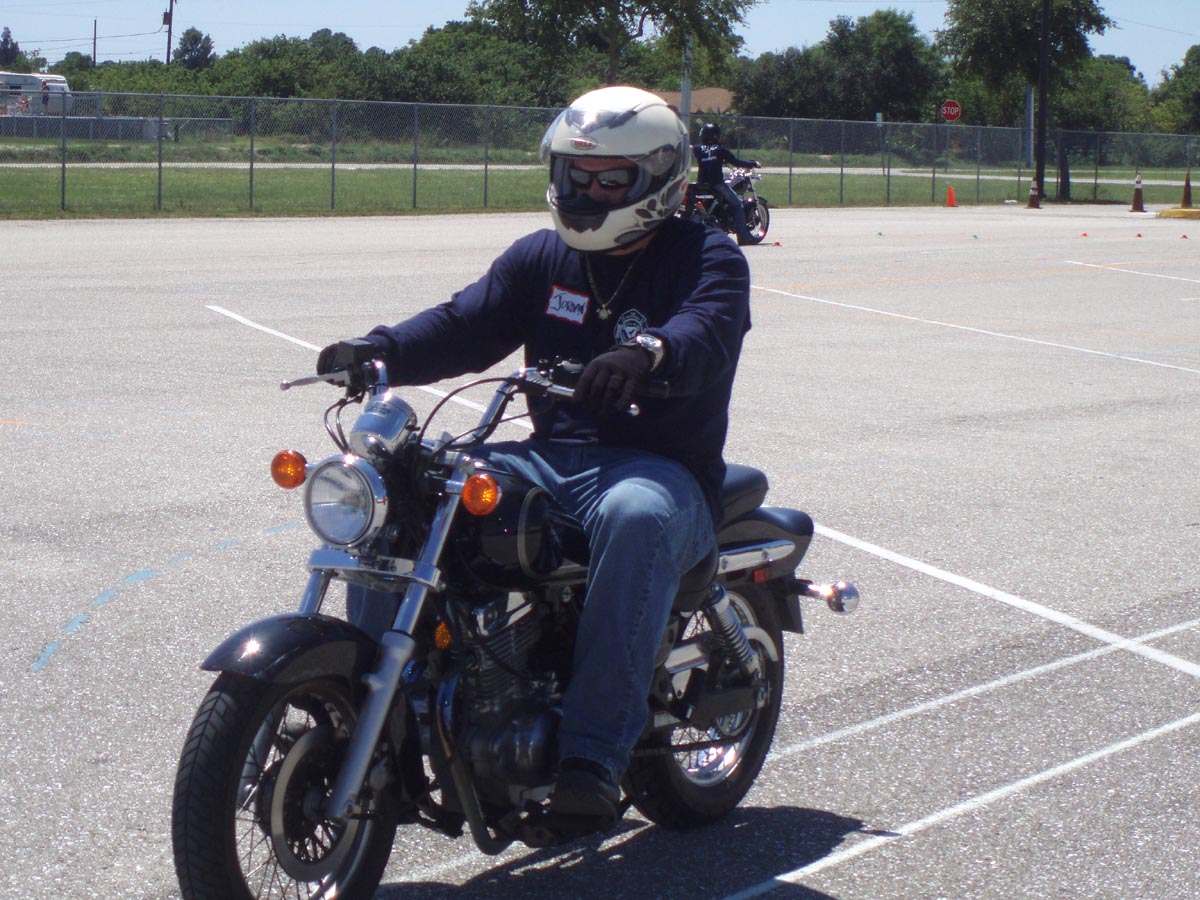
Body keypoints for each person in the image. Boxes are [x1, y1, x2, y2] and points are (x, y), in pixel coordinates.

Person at [317, 85, 751, 835]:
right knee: (405, 488)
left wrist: (647, 354)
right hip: (546, 458)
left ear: (658, 178)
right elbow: (464, 324)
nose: (587, 193)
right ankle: (384, 708)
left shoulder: (706, 255)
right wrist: (377, 350)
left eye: (609, 180)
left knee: (636, 518)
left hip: (658, 470)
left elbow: (705, 328)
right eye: (577, 175)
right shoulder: (542, 257)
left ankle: (591, 757)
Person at [691, 122, 761, 245]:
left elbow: (691, 148)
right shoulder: (721, 150)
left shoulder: (698, 149)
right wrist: (753, 163)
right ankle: (743, 237)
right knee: (737, 205)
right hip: (716, 184)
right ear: (716, 135)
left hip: (702, 184)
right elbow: (736, 162)